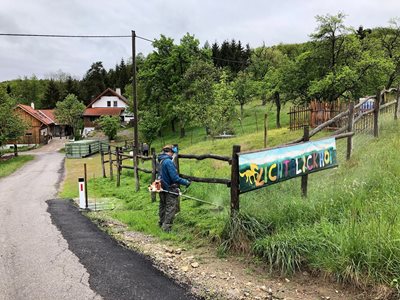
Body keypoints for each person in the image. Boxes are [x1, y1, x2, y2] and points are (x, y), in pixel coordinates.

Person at [158, 144, 191, 232]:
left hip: (161, 187)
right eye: (172, 152)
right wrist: (186, 182)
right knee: (170, 207)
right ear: (169, 152)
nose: (173, 155)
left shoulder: (161, 160)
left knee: (163, 206)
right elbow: (174, 178)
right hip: (169, 187)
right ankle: (167, 228)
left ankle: (161, 223)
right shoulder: (168, 162)